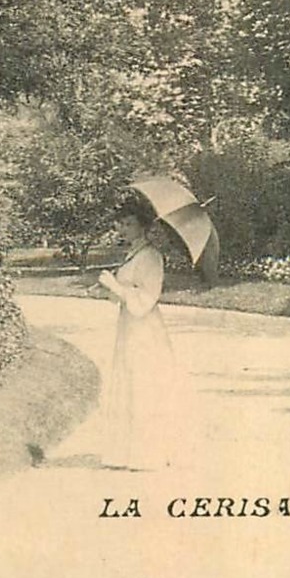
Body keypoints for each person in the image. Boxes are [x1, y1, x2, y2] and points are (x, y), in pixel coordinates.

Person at [95, 195, 185, 471]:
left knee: (142, 384)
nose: (122, 228)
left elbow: (146, 299)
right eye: (120, 223)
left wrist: (115, 286)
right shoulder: (133, 254)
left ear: (143, 226)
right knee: (128, 381)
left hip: (144, 330)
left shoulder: (151, 257)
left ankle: (148, 453)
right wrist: (111, 288)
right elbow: (126, 293)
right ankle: (125, 452)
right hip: (129, 326)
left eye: (128, 223)